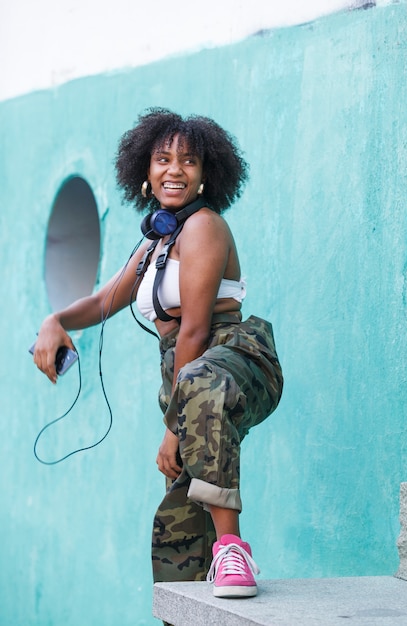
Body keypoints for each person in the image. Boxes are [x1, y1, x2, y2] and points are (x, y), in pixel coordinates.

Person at [32, 108, 283, 601]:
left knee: (198, 391)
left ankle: (233, 550)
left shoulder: (204, 227)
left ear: (206, 174)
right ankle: (189, 594)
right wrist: (54, 321)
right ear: (144, 173)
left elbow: (193, 331)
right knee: (177, 527)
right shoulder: (156, 241)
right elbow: (104, 301)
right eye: (162, 159)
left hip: (232, 360)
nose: (174, 169)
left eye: (189, 161)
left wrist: (172, 429)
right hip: (188, 382)